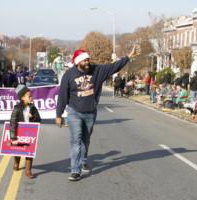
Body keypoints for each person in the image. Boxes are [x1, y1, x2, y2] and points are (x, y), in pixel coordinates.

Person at [56, 46, 140, 181]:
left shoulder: (97, 70)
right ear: (78, 62)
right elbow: (62, 96)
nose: (87, 62)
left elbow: (114, 67)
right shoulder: (69, 75)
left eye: (88, 60)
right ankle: (75, 170)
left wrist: (128, 57)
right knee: (75, 140)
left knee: (86, 139)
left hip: (90, 112)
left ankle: (83, 160)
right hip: (74, 112)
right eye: (84, 61)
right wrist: (59, 115)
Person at [10, 85, 41, 179]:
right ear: (23, 98)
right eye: (29, 96)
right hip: (19, 133)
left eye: (31, 96)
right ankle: (16, 163)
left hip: (29, 133)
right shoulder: (17, 108)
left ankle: (28, 170)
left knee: (29, 152)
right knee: (18, 150)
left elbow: (39, 120)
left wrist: (33, 117)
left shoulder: (33, 108)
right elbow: (13, 123)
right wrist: (13, 137)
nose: (31, 98)